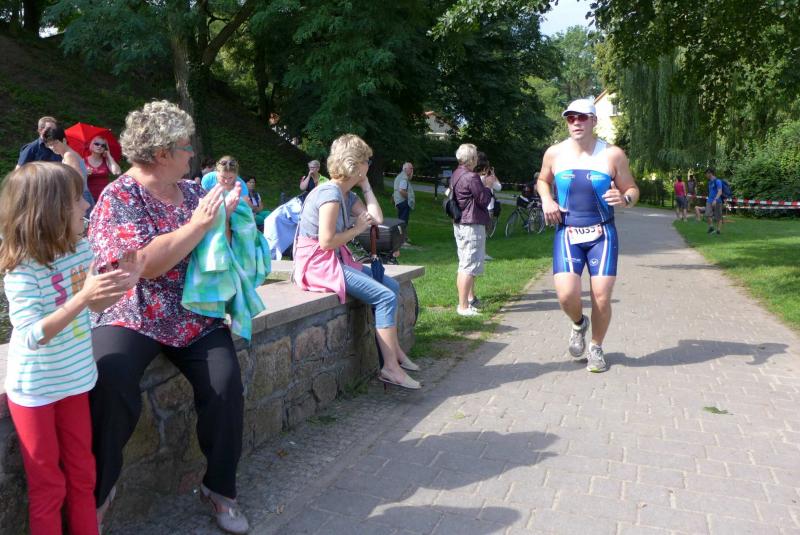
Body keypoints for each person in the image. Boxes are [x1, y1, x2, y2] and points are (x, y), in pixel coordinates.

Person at [86, 101, 250, 534]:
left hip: (193, 312)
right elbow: (145, 266)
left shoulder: (193, 192)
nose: (192, 153)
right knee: (109, 380)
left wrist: (224, 221)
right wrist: (198, 226)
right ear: (161, 154)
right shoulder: (119, 197)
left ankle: (220, 489)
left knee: (225, 385)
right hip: (133, 310)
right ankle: (98, 494)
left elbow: (217, 250)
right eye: (185, 146)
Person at [0, 162, 141, 535]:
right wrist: (83, 297)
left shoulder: (81, 248)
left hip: (76, 381)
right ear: (51, 209)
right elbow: (33, 334)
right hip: (36, 390)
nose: (86, 205)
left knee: (83, 475)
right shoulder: (22, 269)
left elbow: (94, 305)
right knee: (48, 487)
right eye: (77, 199)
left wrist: (124, 283)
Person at [292, 134, 421, 390]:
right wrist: (357, 229)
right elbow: (326, 242)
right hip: (319, 263)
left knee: (392, 287)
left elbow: (377, 218)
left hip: (334, 258)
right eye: (366, 161)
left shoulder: (346, 194)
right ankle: (390, 368)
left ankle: (394, 353)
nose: (369, 165)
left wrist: (366, 185)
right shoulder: (330, 194)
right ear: (355, 164)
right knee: (385, 297)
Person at [536, 98, 639, 373]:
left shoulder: (613, 154)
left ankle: (596, 347)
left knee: (601, 296)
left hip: (602, 233)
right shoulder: (554, 153)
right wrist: (547, 199)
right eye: (571, 118)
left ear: (594, 121)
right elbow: (543, 180)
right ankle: (579, 323)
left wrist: (625, 199)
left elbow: (632, 188)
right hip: (567, 232)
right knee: (566, 295)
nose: (576, 123)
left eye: (582, 117)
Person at [450, 143, 495, 317]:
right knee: (468, 266)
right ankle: (463, 306)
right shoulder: (471, 176)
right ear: (472, 159)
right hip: (471, 224)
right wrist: (488, 185)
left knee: (465, 263)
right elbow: (483, 200)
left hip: (461, 223)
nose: (477, 158)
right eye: (475, 155)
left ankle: (468, 300)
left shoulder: (456, 173)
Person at [42, 125, 95, 209]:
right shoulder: (67, 155)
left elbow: (78, 179)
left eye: (55, 143)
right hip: (81, 196)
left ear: (64, 140)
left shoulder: (69, 156)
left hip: (80, 197)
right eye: (49, 144)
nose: (52, 147)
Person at [84, 136, 121, 203]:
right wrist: (85, 173)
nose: (99, 146)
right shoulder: (84, 161)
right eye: (97, 144)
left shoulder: (106, 160)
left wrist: (109, 155)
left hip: (105, 196)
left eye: (103, 145)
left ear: (105, 148)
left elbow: (117, 172)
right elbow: (78, 179)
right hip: (89, 197)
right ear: (92, 145)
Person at [705, 167, 723, 235]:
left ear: (710, 173)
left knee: (718, 217)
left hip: (717, 201)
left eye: (706, 173)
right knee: (707, 214)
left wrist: (715, 200)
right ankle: (711, 227)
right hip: (709, 200)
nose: (706, 175)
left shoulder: (718, 181)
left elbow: (720, 191)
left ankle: (718, 230)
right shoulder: (709, 182)